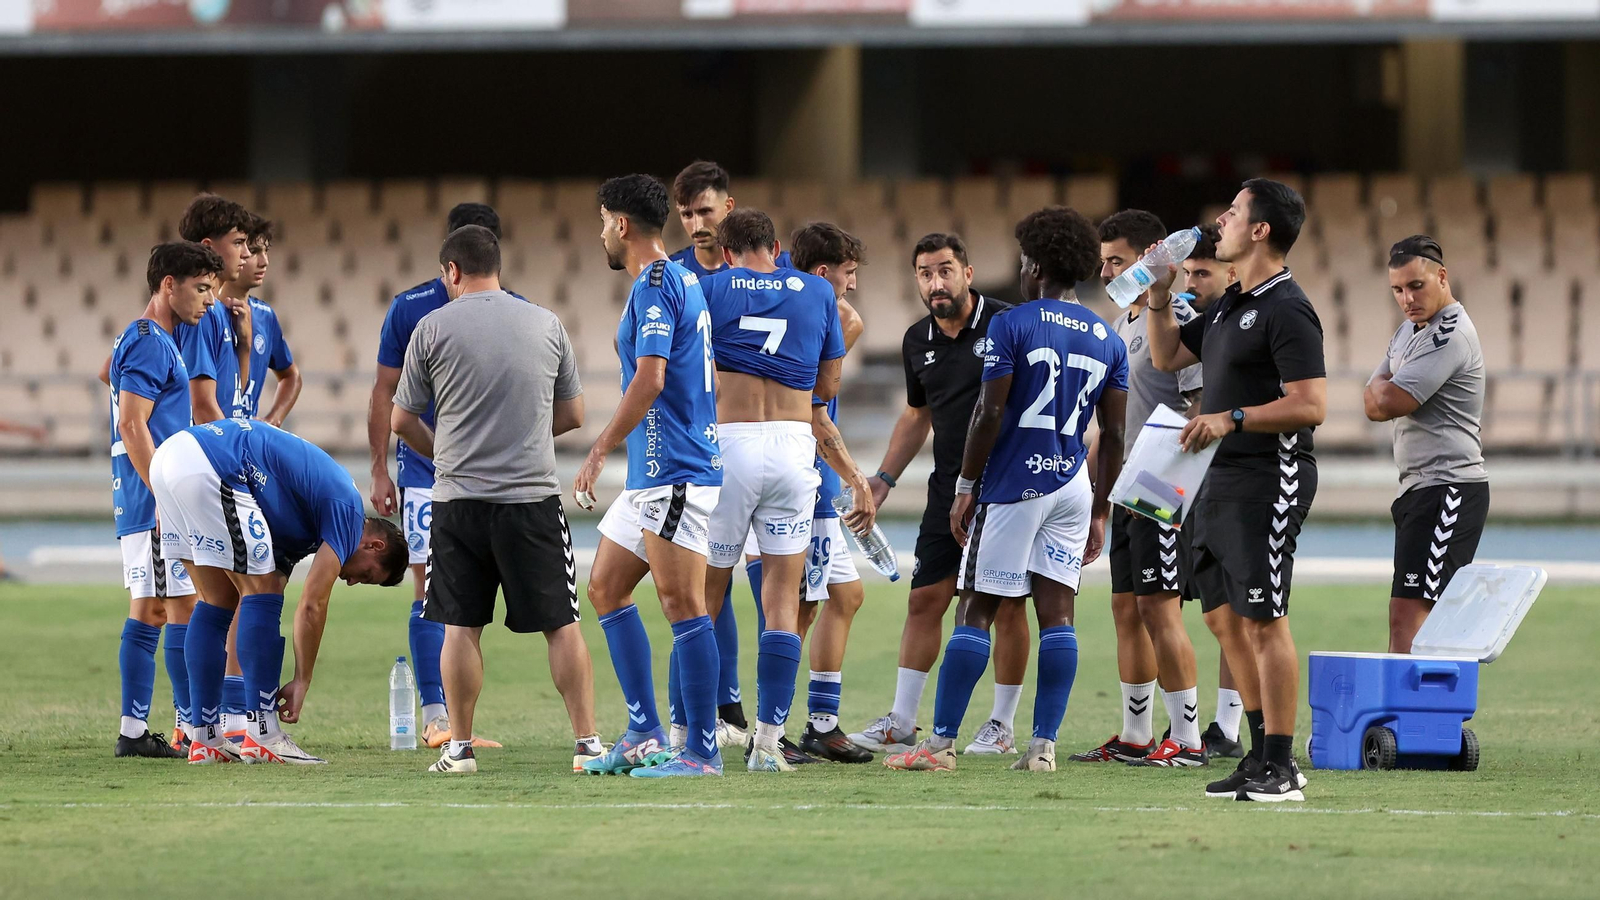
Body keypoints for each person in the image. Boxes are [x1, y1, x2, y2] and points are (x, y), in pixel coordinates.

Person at [885, 206, 1127, 774]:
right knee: (1058, 616)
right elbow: (1113, 434)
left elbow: (988, 413)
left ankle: (939, 746)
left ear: (1036, 264)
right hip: (1071, 485)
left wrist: (966, 485)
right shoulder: (1105, 335)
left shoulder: (1012, 324)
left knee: (975, 609)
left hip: (1016, 483)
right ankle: (1042, 748)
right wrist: (1100, 509)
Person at [391, 225, 598, 775]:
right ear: (497, 267)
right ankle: (588, 744)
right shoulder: (545, 322)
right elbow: (575, 414)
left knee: (460, 626)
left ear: (452, 271)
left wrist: (443, 453)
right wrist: (523, 434)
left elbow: (401, 419)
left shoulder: (431, 327)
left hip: (457, 501)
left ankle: (458, 748)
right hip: (530, 498)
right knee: (562, 623)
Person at [1146, 178, 1326, 802]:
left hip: (1265, 478)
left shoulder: (1287, 306)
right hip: (1212, 480)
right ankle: (1257, 754)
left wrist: (1233, 417)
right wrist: (1159, 298)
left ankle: (1281, 763)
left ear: (1260, 230)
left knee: (1264, 619)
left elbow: (1311, 405)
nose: (1217, 221)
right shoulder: (1228, 302)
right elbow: (1167, 356)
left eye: (1231, 211)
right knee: (1226, 621)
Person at [697, 207, 870, 773]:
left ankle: (695, 733)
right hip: (795, 448)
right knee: (783, 601)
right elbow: (826, 386)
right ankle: (769, 745)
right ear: (777, 246)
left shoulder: (711, 287)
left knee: (705, 596)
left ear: (726, 253)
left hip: (731, 444)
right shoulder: (819, 294)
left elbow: (690, 371)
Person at [850, 234, 1031, 756]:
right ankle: (903, 720)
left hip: (1007, 490)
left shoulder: (1007, 323)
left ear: (968, 273)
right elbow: (917, 414)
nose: (936, 283)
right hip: (947, 489)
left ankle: (1000, 725)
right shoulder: (916, 340)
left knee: (1008, 607)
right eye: (925, 274)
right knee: (925, 598)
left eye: (945, 270)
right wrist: (883, 477)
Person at [575, 174, 726, 779]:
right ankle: (642, 732)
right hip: (653, 475)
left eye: (602, 222)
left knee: (683, 603)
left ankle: (703, 753)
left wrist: (599, 448)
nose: (600, 234)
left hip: (675, 469)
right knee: (607, 587)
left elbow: (651, 377)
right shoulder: (675, 278)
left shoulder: (659, 283)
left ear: (620, 223)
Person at [153, 418, 406, 764]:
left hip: (170, 458)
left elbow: (277, 579)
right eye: (367, 577)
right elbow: (312, 605)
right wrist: (302, 680)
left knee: (217, 601)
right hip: (214, 463)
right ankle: (263, 734)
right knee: (260, 591)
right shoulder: (347, 510)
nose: (352, 581)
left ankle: (204, 738)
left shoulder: (304, 520)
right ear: (375, 546)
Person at [367, 203, 509, 751]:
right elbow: (385, 391)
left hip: (495, 476)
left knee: (478, 595)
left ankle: (459, 721)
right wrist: (381, 466)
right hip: (428, 471)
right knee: (430, 587)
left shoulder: (514, 309)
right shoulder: (410, 309)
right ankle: (434, 716)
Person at [1071, 209, 1207, 768]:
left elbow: (1202, 401)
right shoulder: (1124, 319)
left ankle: (1191, 741)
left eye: (1118, 261)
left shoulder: (1177, 314)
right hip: (1127, 487)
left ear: (1154, 254)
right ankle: (1134, 735)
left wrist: (1174, 478)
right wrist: (1101, 504)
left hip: (1161, 486)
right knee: (1127, 609)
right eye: (1103, 263)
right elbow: (1113, 426)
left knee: (1160, 610)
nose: (1107, 273)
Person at [668, 159, 791, 736]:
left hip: (768, 446)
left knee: (769, 585)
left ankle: (752, 713)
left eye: (706, 211)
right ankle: (714, 711)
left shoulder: (777, 271)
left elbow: (843, 322)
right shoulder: (675, 275)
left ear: (730, 208)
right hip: (702, 448)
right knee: (703, 581)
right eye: (687, 213)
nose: (697, 223)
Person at [108, 242, 222, 759]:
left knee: (167, 606)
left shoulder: (157, 340)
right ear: (167, 285)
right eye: (201, 288)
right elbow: (132, 423)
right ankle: (183, 728)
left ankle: (167, 729)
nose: (208, 300)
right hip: (153, 498)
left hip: (150, 495)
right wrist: (163, 493)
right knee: (167, 608)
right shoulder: (150, 339)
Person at [1364, 235, 1488, 653]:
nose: (1406, 298)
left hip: (1447, 485)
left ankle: (1415, 718)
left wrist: (1383, 390)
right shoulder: (1409, 330)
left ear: (1442, 276)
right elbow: (1371, 399)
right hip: (1422, 487)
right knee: (1416, 613)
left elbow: (1387, 402)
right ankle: (1428, 718)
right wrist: (1381, 392)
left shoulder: (1448, 333)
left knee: (1413, 614)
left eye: (1416, 285)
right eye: (1397, 289)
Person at [787, 222, 874, 764]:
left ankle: (822, 726)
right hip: (804, 473)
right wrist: (854, 478)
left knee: (843, 596)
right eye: (849, 274)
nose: (854, 286)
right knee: (798, 607)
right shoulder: (833, 318)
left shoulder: (820, 312)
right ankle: (769, 732)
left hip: (807, 472)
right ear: (823, 274)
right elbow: (815, 407)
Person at [1176, 224, 1246, 760]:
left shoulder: (1240, 319)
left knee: (1235, 607)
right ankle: (1198, 727)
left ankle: (1230, 725)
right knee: (1210, 606)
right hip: (1184, 478)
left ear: (1230, 273)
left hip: (1231, 476)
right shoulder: (1200, 322)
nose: (1192, 280)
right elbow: (1160, 359)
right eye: (1188, 271)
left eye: (1203, 272)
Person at [231, 216, 301, 425]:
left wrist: (274, 419)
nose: (264, 261)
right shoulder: (204, 314)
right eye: (254, 252)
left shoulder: (265, 316)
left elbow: (291, 376)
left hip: (244, 440)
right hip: (212, 439)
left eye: (265, 251)